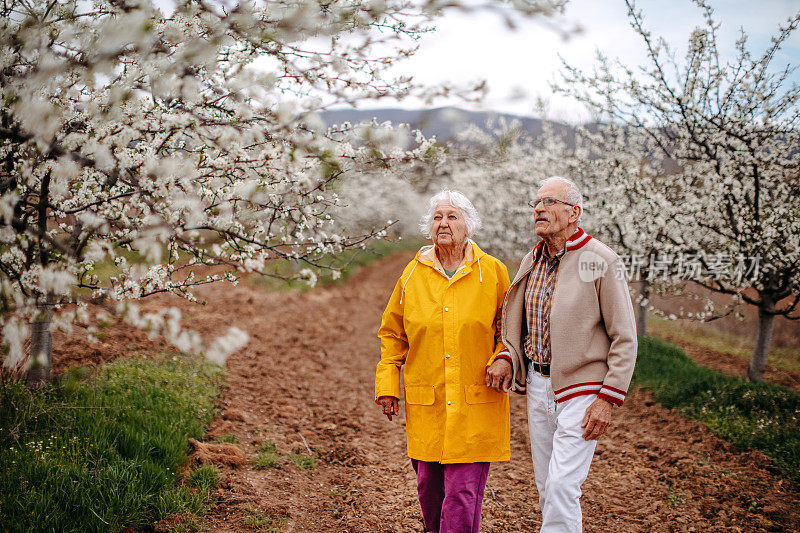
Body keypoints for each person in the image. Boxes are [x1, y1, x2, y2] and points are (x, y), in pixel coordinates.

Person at [492, 176, 638, 532]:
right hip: (539, 386)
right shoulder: (532, 260)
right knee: (547, 487)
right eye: (537, 203)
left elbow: (625, 336)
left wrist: (608, 398)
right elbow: (522, 324)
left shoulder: (602, 259)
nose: (539, 208)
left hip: (582, 391)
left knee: (561, 485)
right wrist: (509, 356)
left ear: (575, 212)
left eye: (550, 202)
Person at [375, 190, 514, 533]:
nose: (444, 223)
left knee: (461, 494)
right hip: (430, 403)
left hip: (474, 402)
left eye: (453, 216)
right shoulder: (412, 275)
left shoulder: (493, 273)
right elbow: (392, 334)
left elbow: (509, 328)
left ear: (469, 225)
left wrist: (503, 358)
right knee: (429, 490)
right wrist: (388, 385)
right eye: (438, 217)